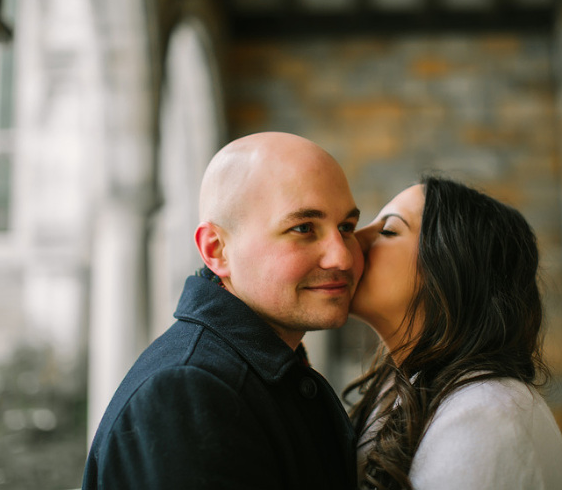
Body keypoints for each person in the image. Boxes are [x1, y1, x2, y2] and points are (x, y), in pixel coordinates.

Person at [82, 132, 363, 489]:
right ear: (216, 250)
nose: (342, 256)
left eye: (346, 227)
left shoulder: (261, 369)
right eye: (304, 228)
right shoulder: (188, 394)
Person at [345, 176, 562, 490]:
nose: (352, 238)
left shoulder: (483, 415)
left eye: (388, 230)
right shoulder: (403, 394)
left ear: (450, 268)